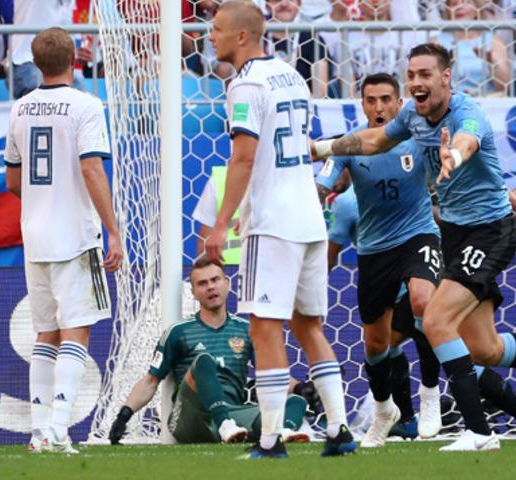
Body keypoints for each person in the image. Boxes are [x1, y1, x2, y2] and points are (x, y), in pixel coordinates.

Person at [311, 42, 516, 452]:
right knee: (484, 348)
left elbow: (466, 142)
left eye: (425, 75)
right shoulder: (411, 117)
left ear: (446, 78)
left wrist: (452, 158)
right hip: (455, 235)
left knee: (435, 317)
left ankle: (477, 430)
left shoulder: (467, 113)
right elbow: (373, 142)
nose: (417, 82)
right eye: (412, 75)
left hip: (489, 232)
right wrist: (319, 148)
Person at [205, 0, 354, 459]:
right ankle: (340, 430)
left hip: (272, 222)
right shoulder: (289, 73)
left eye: (216, 29)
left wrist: (222, 222)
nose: (210, 36)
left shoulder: (244, 84)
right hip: (309, 216)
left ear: (242, 36)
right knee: (308, 326)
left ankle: (269, 440)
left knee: (263, 328)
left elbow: (244, 158)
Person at [4, 26, 123, 454]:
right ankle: (58, 428)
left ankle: (39, 432)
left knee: (45, 333)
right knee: (77, 332)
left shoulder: (19, 109)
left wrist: (43, 196)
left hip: (34, 234)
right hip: (75, 234)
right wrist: (113, 228)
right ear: (76, 59)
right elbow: (92, 169)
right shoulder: (87, 106)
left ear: (36, 64)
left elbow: (13, 180)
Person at [316, 73, 444, 446]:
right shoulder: (349, 145)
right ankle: (384, 409)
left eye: (386, 99)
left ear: (399, 102)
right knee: (376, 346)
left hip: (419, 235)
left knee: (424, 302)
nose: (379, 107)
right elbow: (322, 184)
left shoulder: (420, 140)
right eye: (371, 100)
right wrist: (311, 197)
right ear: (362, 105)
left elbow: (453, 175)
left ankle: (430, 395)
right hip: (374, 251)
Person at [108, 257, 313, 446]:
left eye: (215, 280)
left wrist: (301, 388)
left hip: (235, 416)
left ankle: (281, 430)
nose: (211, 287)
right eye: (202, 283)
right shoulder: (179, 332)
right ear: (194, 292)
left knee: (295, 402)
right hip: (190, 420)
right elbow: (151, 381)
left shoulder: (246, 330)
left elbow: (269, 374)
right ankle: (226, 425)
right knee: (203, 361)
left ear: (227, 283)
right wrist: (124, 416)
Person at [434, 0, 511, 96]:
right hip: (450, 102)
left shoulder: (493, 40)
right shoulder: (436, 42)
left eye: (465, 2)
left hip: (485, 100)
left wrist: (492, 62)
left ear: (477, 9)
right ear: (448, 11)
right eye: (454, 4)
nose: (459, 7)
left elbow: (504, 85)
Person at [264, 0, 329, 98]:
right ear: (267, 6)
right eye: (276, 0)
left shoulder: (312, 39)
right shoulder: (258, 38)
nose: (284, 4)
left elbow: (320, 93)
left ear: (299, 4)